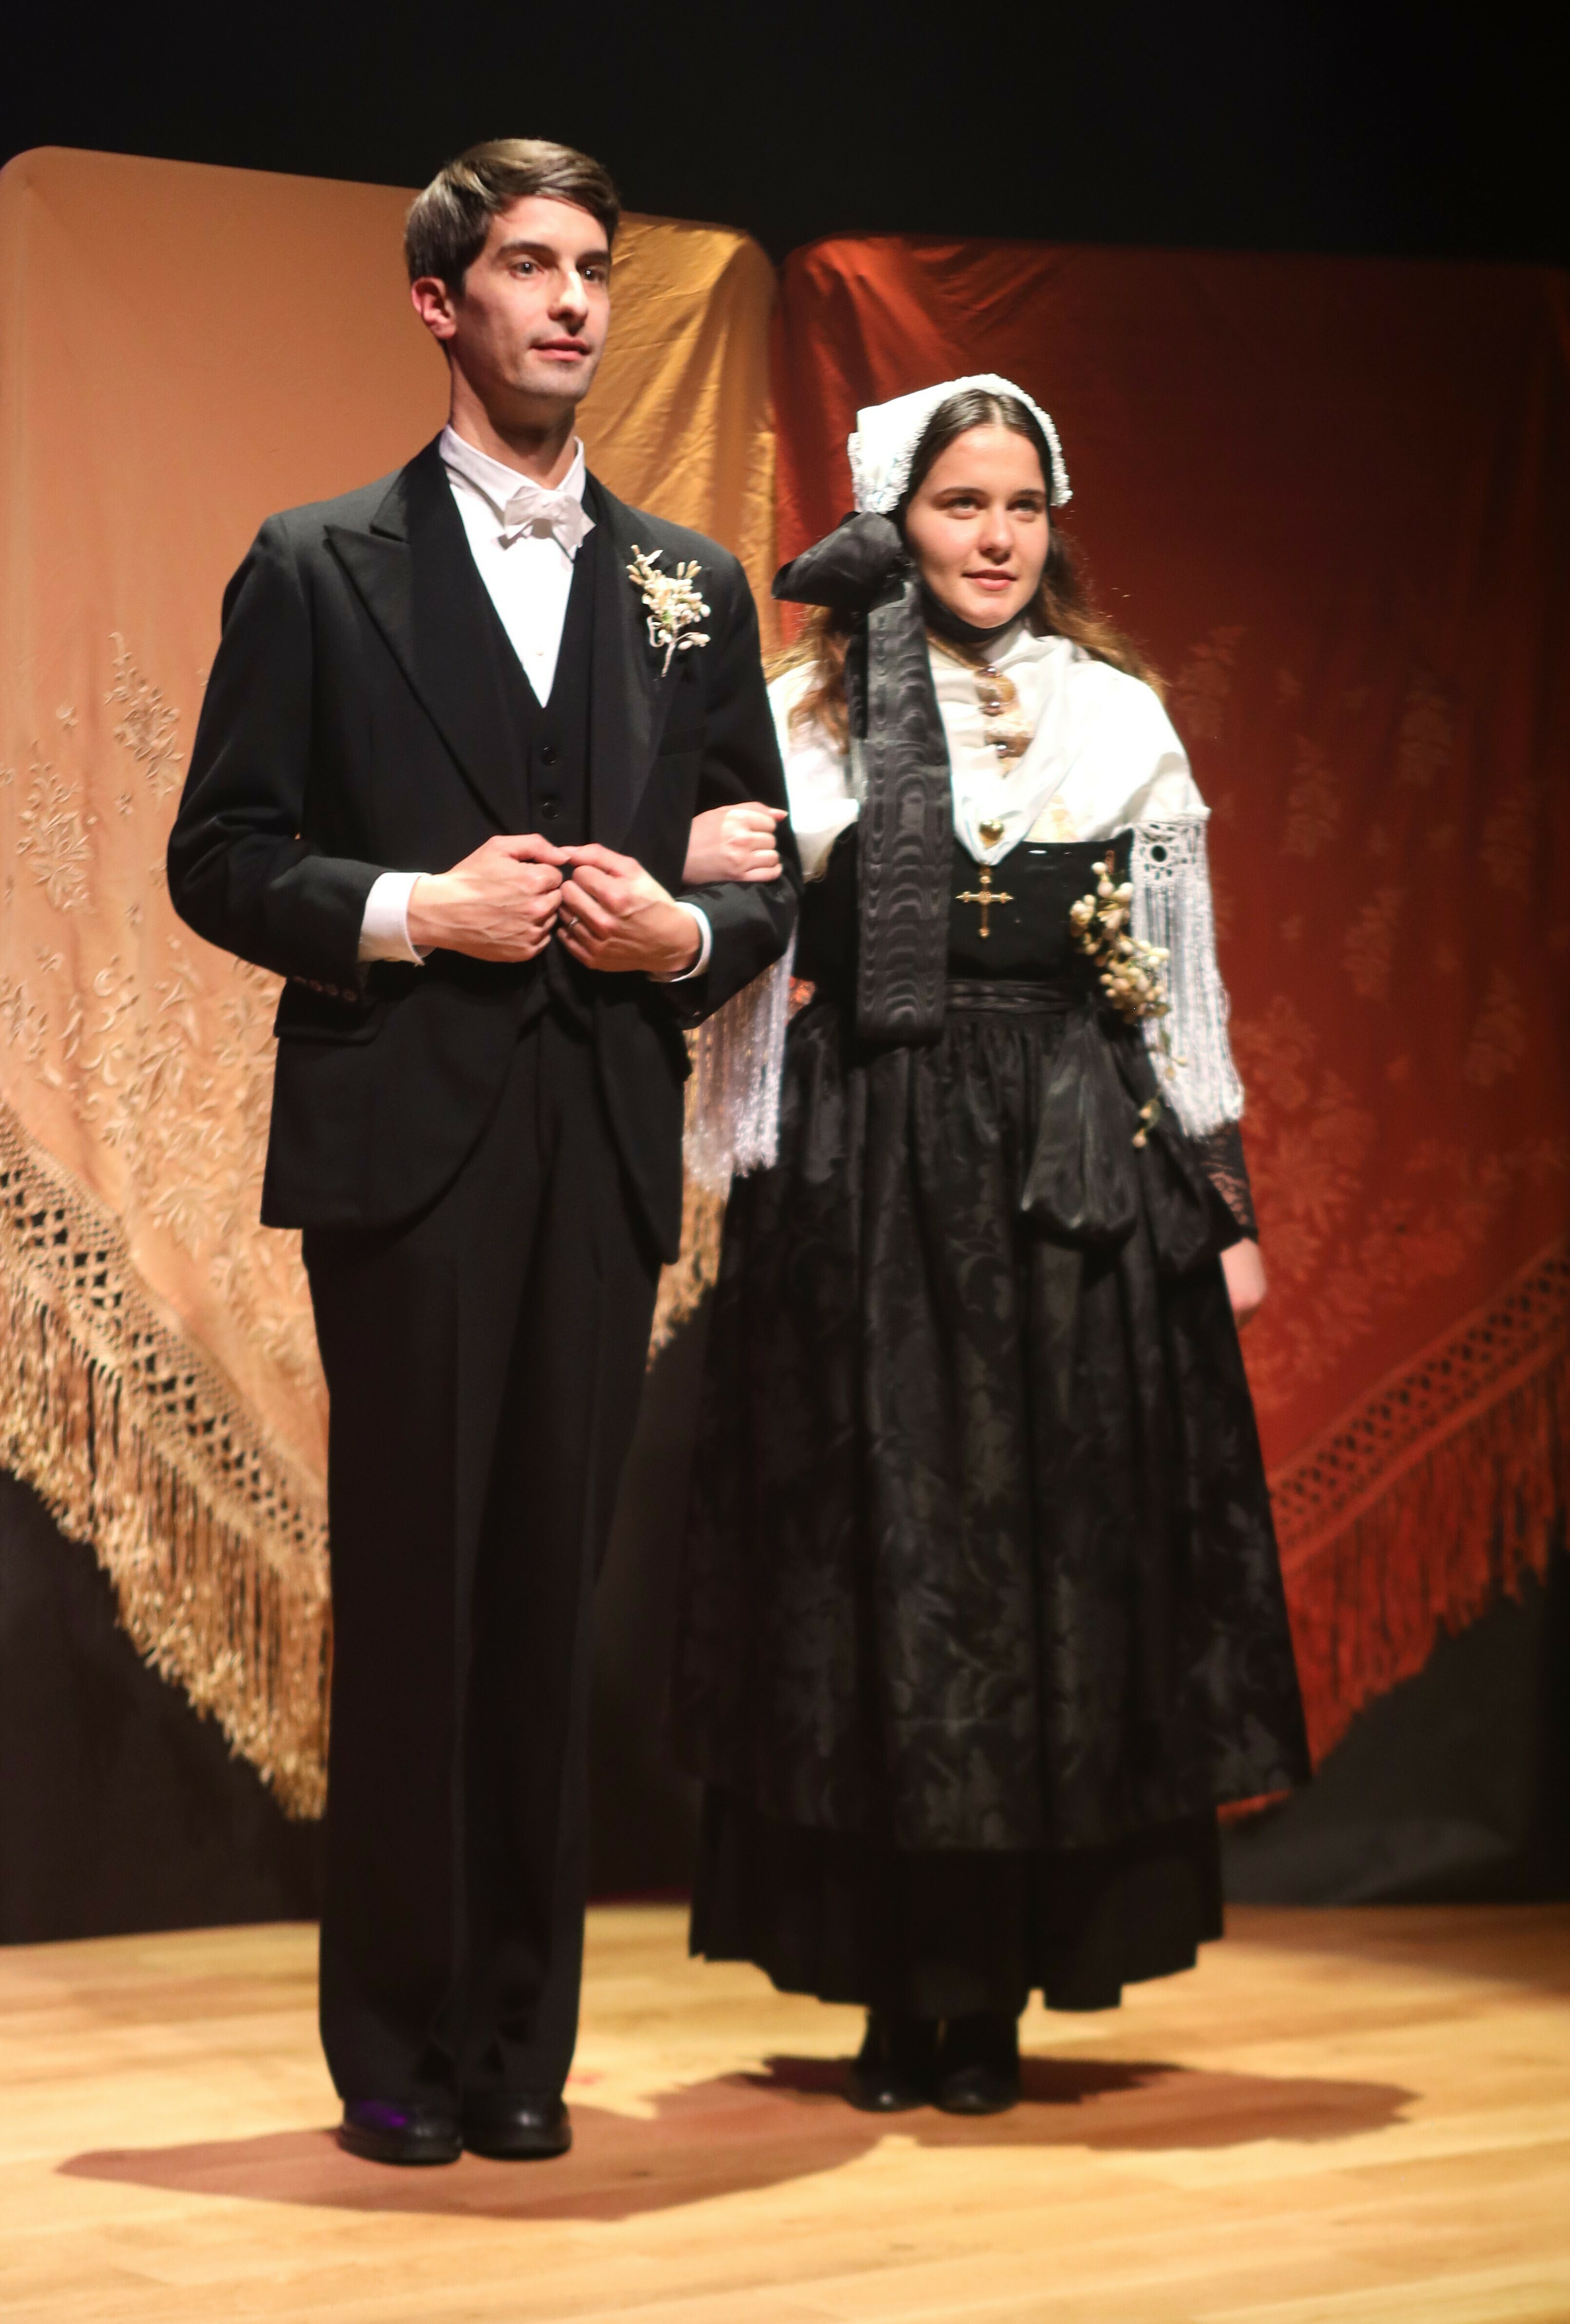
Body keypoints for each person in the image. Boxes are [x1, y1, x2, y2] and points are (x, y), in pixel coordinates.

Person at [167, 139, 798, 2167]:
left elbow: (761, 874)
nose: (574, 300)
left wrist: (679, 935)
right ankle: (397, 2041)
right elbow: (221, 855)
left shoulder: (689, 587)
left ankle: (524, 2040)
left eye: (593, 266)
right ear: (442, 304)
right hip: (409, 1147)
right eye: (530, 265)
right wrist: (408, 908)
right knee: (420, 1595)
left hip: (598, 1138)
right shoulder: (315, 565)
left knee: (546, 1604)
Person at [672, 377, 1309, 2115]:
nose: (999, 535)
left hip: (1060, 1182)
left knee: (1046, 1568)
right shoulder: (807, 715)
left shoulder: (1117, 716)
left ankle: (997, 1999)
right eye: (963, 504)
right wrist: (738, 1149)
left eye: (1023, 505)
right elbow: (749, 964)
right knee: (875, 1559)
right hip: (866, 1170)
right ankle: (898, 1987)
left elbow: (1175, 989)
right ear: (898, 522)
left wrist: (1223, 1206)